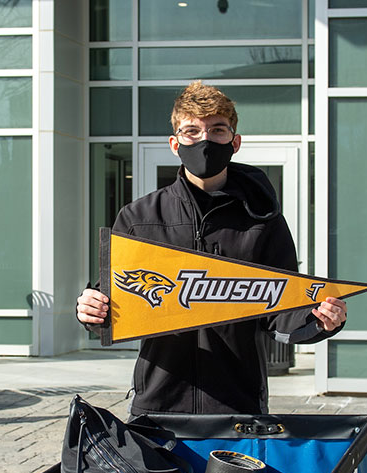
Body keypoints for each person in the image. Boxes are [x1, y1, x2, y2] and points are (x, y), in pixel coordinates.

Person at [77, 81, 347, 415]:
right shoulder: (138, 218)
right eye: (192, 131)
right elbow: (112, 302)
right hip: (159, 404)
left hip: (238, 402)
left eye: (217, 130)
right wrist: (91, 309)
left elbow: (281, 308)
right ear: (175, 144)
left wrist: (318, 319)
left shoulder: (263, 220)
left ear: (234, 142)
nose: (204, 140)